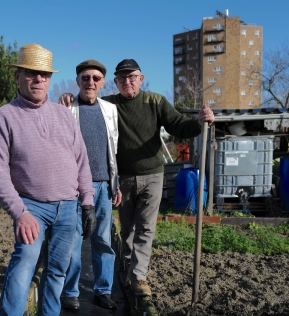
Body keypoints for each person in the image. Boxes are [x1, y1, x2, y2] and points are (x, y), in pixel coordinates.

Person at [60, 59, 215, 297]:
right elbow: (87, 101)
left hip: (152, 174)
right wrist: (69, 98)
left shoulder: (155, 102)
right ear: (114, 82)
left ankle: (138, 276)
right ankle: (126, 269)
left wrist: (199, 122)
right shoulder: (109, 105)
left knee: (145, 228)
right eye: (122, 79)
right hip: (122, 177)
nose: (127, 82)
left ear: (141, 79)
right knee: (127, 230)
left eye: (132, 77)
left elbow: (178, 125)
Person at [0, 43, 96, 316]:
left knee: (59, 269)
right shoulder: (4, 117)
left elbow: (81, 161)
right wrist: (20, 212)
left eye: (43, 74)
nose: (37, 79)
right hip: (32, 207)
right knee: (23, 266)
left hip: (67, 207)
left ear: (49, 79)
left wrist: (87, 202)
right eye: (31, 73)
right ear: (18, 76)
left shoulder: (63, 115)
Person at [60, 60, 121, 311]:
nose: (91, 82)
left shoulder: (110, 110)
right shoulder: (65, 108)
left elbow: (114, 150)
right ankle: (71, 291)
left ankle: (103, 290)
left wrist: (116, 183)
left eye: (96, 78)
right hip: (74, 187)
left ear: (103, 82)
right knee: (73, 241)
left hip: (105, 186)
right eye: (85, 78)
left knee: (103, 239)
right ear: (78, 81)